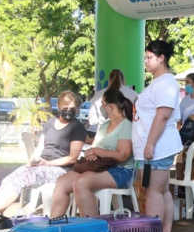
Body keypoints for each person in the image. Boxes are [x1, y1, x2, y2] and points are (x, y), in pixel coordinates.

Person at [0, 91, 87, 226]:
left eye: (72, 109)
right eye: (65, 109)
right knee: (11, 178)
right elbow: (40, 146)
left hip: (60, 169)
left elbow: (72, 158)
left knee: (22, 178)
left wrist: (48, 163)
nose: (68, 111)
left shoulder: (77, 128)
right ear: (58, 107)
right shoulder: (50, 123)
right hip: (42, 164)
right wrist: (34, 159)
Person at [50, 89, 135, 218]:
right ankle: (53, 225)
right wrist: (92, 153)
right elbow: (92, 149)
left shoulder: (126, 126)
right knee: (62, 182)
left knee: (82, 182)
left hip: (121, 170)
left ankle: (91, 228)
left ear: (111, 107)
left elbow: (122, 155)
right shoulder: (103, 126)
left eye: (103, 105)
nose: (101, 108)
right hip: (99, 166)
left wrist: (97, 151)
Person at [133, 39, 182, 232]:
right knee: (161, 191)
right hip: (156, 146)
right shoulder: (160, 82)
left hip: (157, 147)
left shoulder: (166, 83)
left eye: (150, 57)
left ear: (162, 58)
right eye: (145, 57)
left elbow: (162, 115)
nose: (146, 61)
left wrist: (150, 143)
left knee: (153, 191)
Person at [87, 69, 137, 134]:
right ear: (124, 81)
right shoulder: (133, 94)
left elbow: (93, 121)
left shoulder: (98, 95)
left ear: (109, 81)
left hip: (104, 135)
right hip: (128, 133)